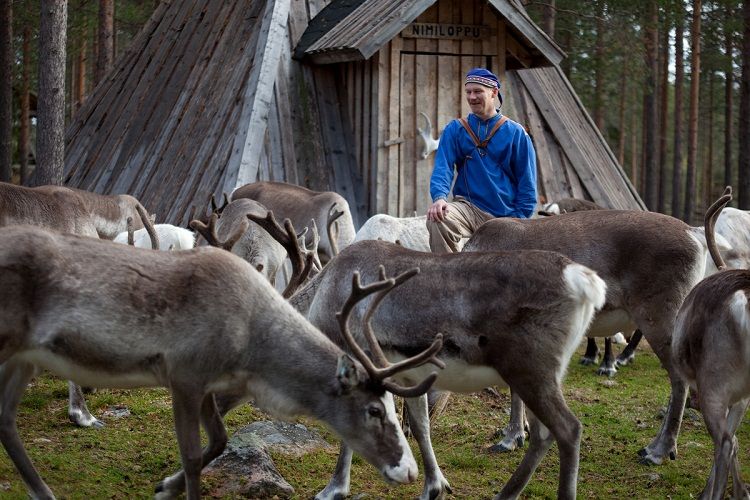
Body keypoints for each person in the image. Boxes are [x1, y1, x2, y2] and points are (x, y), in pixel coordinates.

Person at [426, 67, 538, 253]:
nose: (471, 97)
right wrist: (439, 198)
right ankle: (451, 276)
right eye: (468, 92)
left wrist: (520, 220)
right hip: (467, 209)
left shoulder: (516, 133)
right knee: (439, 220)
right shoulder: (455, 129)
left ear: (494, 92)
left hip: (505, 216)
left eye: (478, 91)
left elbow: (527, 182)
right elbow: (442, 168)